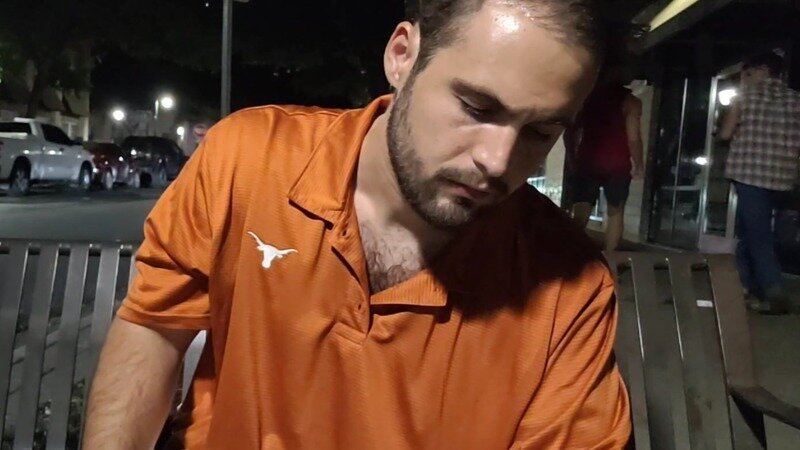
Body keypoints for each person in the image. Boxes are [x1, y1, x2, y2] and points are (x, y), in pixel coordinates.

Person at [83, 1, 632, 448]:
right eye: (476, 108)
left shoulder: (571, 289)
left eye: (539, 132)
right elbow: (153, 329)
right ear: (402, 55)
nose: (498, 160)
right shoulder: (247, 161)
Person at [719, 51, 800, 315]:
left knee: (758, 235)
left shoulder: (744, 96)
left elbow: (726, 133)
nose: (746, 78)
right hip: (783, 177)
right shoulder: (796, 100)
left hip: (749, 175)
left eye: (749, 72)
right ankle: (743, 286)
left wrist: (724, 134)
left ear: (763, 70)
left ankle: (774, 291)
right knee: (751, 232)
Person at [567, 70, 644, 252]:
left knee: (581, 211)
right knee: (616, 212)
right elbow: (634, 139)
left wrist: (572, 158)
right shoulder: (631, 102)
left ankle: (569, 253)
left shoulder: (586, 98)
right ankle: (609, 257)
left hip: (588, 161)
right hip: (618, 165)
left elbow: (570, 133)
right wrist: (638, 164)